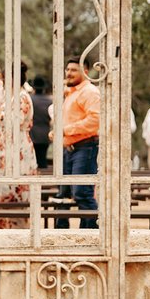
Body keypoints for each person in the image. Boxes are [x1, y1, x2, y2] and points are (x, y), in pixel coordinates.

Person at [0, 62, 38, 228]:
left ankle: (16, 228)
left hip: (15, 147)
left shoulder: (22, 97)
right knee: (1, 187)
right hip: (3, 148)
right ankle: (0, 227)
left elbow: (15, 121)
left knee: (14, 187)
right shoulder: (12, 97)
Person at [53, 58, 100, 229]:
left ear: (85, 71)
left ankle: (92, 234)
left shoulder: (89, 92)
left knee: (82, 193)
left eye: (74, 70)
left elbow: (96, 120)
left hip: (85, 147)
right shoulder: (71, 92)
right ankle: (64, 232)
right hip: (70, 148)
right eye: (67, 69)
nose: (69, 73)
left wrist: (66, 130)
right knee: (63, 193)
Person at [30, 76, 52, 170]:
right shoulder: (49, 101)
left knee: (32, 162)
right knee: (43, 161)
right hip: (45, 134)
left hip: (32, 134)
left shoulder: (30, 99)